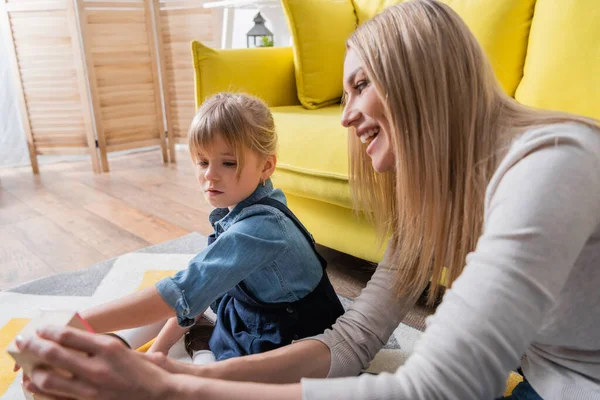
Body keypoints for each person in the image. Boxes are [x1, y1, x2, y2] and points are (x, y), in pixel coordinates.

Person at [15, 1, 600, 399]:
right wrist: (168, 369)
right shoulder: (430, 212)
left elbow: (434, 387)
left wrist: (173, 388)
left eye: (361, 84)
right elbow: (353, 341)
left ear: (421, 72)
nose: (345, 116)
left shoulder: (552, 162)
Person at [16, 92, 344, 369]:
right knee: (178, 297)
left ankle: (190, 350)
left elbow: (181, 294)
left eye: (228, 163)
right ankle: (132, 345)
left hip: (291, 339)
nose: (210, 176)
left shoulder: (260, 228)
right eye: (202, 162)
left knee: (200, 352)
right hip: (254, 313)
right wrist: (158, 350)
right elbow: (198, 289)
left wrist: (79, 322)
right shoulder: (247, 207)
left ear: (266, 166)